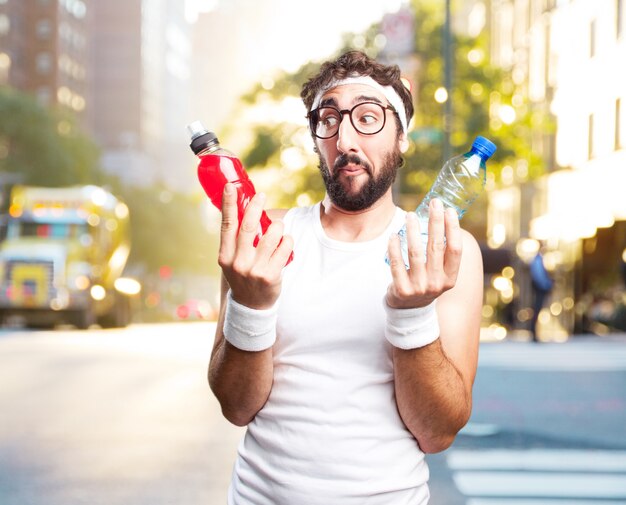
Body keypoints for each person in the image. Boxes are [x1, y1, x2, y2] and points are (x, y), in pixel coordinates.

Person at [209, 50, 484, 504]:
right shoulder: (266, 238)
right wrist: (251, 306)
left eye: (369, 117)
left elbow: (437, 432)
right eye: (329, 119)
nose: (346, 137)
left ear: (401, 139)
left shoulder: (442, 251)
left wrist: (411, 315)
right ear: (317, 138)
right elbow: (237, 407)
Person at [529, 248, 553, 342]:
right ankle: (533, 332)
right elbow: (539, 276)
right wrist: (547, 285)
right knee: (537, 310)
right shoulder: (538, 260)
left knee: (537, 310)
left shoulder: (538, 260)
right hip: (540, 289)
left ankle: (534, 332)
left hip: (540, 288)